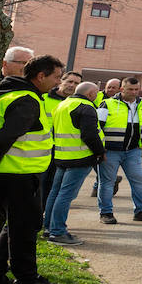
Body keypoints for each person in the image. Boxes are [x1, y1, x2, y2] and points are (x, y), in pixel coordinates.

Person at [0, 54, 65, 284]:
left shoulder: (11, 93)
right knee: (25, 228)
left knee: (17, 225)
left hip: (11, 173)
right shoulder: (27, 99)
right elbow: (6, 137)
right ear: (40, 76)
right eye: (56, 77)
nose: (58, 82)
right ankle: (26, 279)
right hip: (16, 174)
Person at [44, 82, 105, 246]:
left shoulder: (63, 104)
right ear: (91, 93)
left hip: (61, 156)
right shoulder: (86, 107)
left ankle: (48, 228)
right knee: (66, 195)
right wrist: (100, 152)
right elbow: (90, 135)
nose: (98, 96)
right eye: (97, 93)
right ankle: (57, 232)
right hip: (80, 158)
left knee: (55, 193)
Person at [96, 77, 142, 224]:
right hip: (110, 151)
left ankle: (140, 211)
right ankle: (106, 213)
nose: (134, 92)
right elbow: (97, 127)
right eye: (130, 89)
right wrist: (100, 150)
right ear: (122, 89)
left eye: (136, 89)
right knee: (107, 182)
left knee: (138, 181)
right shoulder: (107, 104)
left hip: (133, 151)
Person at [39, 70, 81, 208]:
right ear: (61, 81)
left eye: (76, 83)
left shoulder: (76, 103)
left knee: (55, 188)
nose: (72, 85)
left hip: (64, 152)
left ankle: (46, 218)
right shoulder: (43, 98)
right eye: (69, 81)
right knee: (40, 186)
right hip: (42, 150)